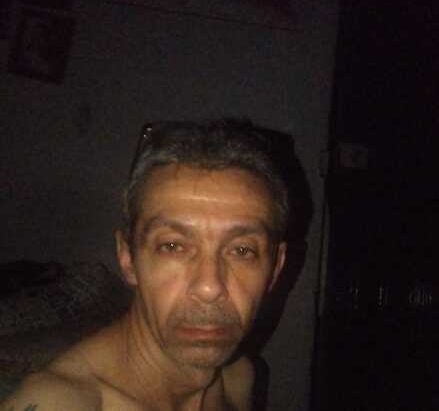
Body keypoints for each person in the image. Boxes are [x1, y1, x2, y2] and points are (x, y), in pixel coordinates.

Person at [2, 119, 292, 411]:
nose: (209, 288)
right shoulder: (59, 402)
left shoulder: (238, 377)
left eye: (242, 250)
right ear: (128, 257)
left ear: (276, 268)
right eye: (173, 246)